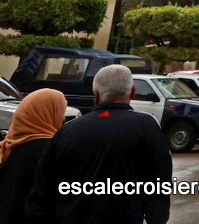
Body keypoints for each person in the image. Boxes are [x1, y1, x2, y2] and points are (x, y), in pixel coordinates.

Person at [25, 64, 171, 223]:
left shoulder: (66, 131)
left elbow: (42, 193)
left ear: (95, 95)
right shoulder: (146, 127)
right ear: (133, 93)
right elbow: (159, 184)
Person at [0, 88, 67, 222]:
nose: (63, 118)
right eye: (60, 112)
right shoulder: (50, 150)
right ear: (47, 114)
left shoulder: (7, 147)